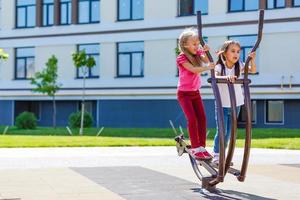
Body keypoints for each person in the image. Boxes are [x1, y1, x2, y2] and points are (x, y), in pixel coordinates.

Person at [212, 40, 257, 163]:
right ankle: (216, 154)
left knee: (229, 132)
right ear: (225, 53)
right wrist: (225, 77)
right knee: (222, 130)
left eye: (238, 52)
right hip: (222, 104)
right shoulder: (220, 67)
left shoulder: (240, 65)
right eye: (232, 51)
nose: (236, 54)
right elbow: (214, 76)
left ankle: (223, 155)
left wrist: (252, 59)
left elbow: (252, 70)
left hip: (236, 104)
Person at [176, 28, 215, 160]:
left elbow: (205, 59)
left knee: (202, 118)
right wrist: (208, 67)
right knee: (192, 119)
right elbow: (193, 69)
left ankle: (202, 147)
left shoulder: (197, 52)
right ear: (185, 45)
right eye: (194, 44)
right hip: (184, 94)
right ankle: (195, 148)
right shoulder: (181, 58)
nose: (196, 46)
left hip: (195, 93)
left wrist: (205, 50)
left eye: (198, 43)